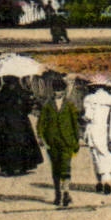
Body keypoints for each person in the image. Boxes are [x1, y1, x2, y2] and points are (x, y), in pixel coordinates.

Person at [36, 76, 80, 208]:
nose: (57, 93)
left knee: (66, 167)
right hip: (52, 141)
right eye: (55, 90)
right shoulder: (48, 105)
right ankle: (57, 193)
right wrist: (40, 137)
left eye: (60, 90)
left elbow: (75, 123)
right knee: (55, 168)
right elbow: (41, 122)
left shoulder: (70, 105)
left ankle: (66, 192)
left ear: (64, 91)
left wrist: (76, 140)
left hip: (67, 141)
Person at [0, 77, 42, 177]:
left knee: (12, 144)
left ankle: (15, 166)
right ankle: (18, 166)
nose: (11, 85)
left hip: (11, 123)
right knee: (16, 144)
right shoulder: (19, 92)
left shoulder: (4, 92)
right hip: (17, 123)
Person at [81, 74, 111, 194]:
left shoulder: (89, 99)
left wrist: (81, 118)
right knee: (106, 155)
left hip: (93, 129)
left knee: (95, 156)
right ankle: (107, 179)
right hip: (106, 129)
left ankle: (99, 182)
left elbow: (88, 116)